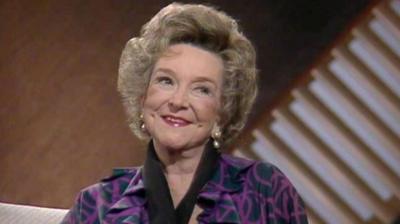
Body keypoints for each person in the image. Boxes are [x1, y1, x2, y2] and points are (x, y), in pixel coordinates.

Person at [61, 2, 308, 224]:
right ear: (142, 95)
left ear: (223, 109)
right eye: (166, 81)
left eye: (201, 89)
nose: (178, 101)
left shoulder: (264, 190)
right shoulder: (97, 206)